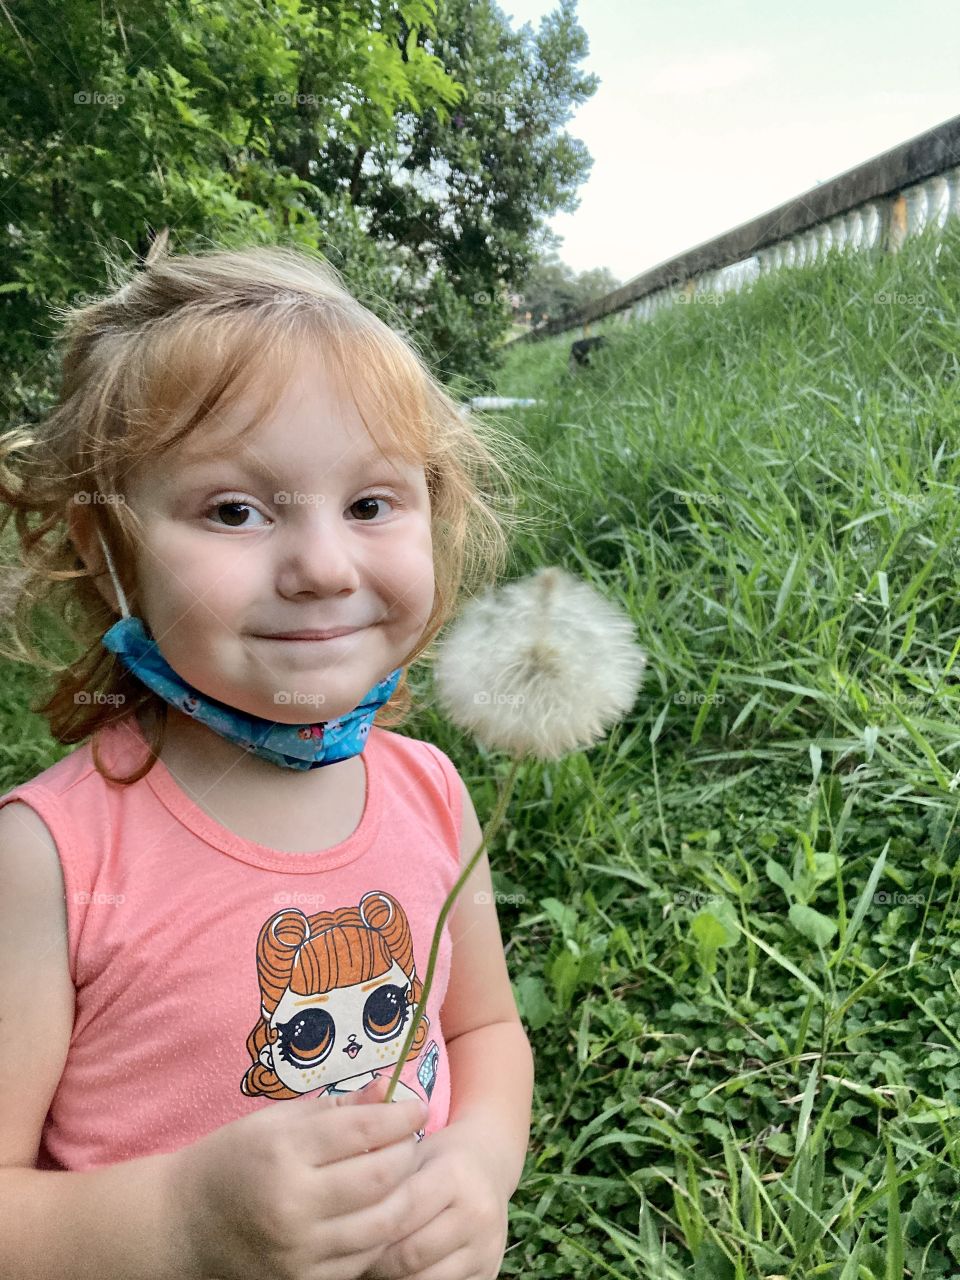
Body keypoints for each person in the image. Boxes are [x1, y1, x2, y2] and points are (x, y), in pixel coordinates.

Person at [0, 237, 537, 1280]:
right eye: (235, 510)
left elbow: (486, 1031)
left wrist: (479, 1159)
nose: (324, 567)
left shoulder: (431, 792)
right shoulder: (48, 859)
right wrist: (185, 1222)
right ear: (108, 551)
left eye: (372, 504)